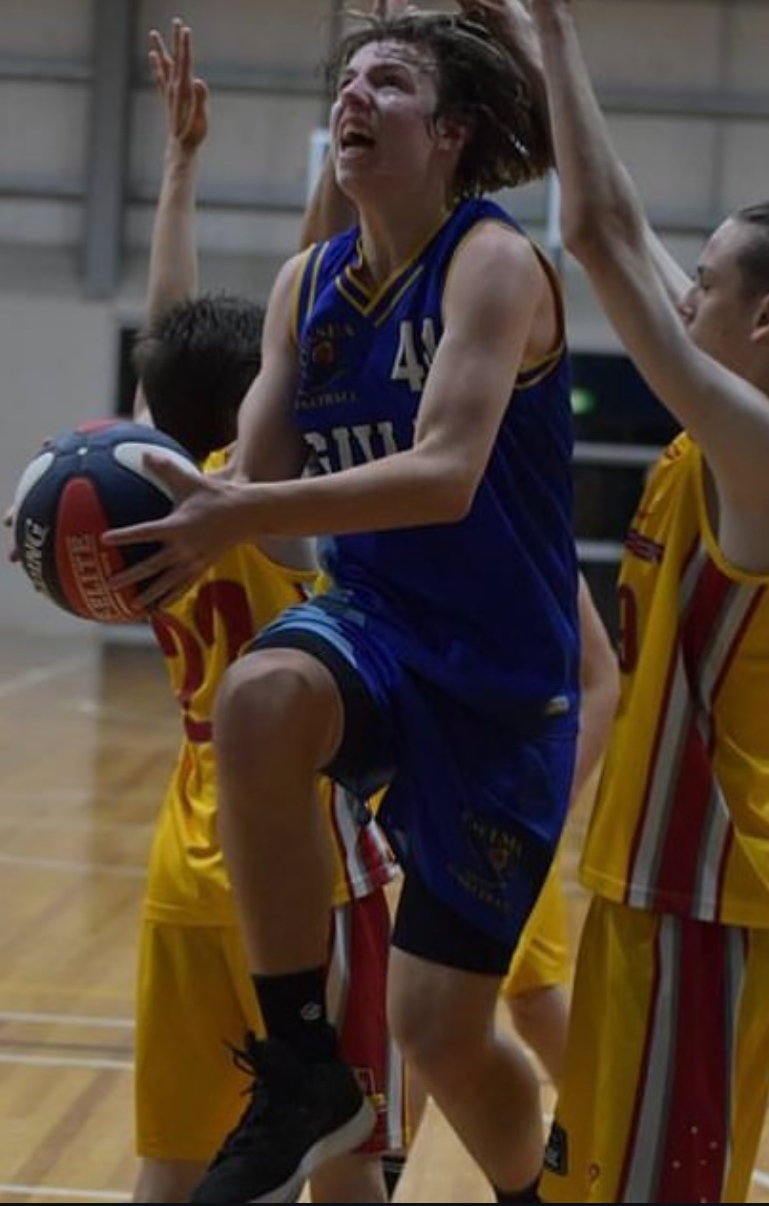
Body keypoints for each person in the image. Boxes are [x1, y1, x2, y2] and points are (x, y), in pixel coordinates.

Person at [103, 8, 580, 1204]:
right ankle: (304, 1067)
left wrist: (236, 514)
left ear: (452, 131)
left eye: (391, 80)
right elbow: (252, 470)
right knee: (258, 698)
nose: (354, 93)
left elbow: (444, 474)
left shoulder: (492, 262)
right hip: (375, 625)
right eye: (349, 77)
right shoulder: (304, 285)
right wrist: (155, 514)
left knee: (439, 1029)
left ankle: (533, 1190)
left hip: (496, 677)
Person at [130, 21, 406, 1204]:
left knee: (173, 1159)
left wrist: (181, 168)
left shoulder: (148, 489)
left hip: (180, 856)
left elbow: (167, 343)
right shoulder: (256, 501)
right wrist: (345, 166)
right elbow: (308, 290)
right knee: (342, 1157)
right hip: (302, 859)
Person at [512, 1, 769, 1201]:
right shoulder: (721, 432)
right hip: (643, 892)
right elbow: (626, 227)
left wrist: (554, 29)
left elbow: (599, 235)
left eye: (702, 288)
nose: (682, 299)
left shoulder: (756, 452)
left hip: (702, 908)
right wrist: (529, 53)